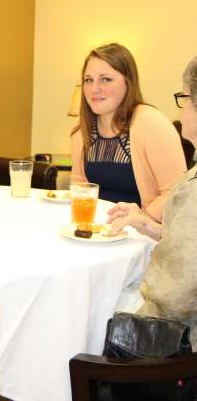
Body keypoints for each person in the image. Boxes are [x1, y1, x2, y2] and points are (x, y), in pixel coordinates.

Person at [108, 55, 197, 346]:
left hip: (180, 343)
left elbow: (173, 296)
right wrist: (149, 225)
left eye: (184, 98)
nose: (182, 111)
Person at [71, 43, 186, 222]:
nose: (94, 89)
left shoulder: (152, 124)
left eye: (105, 79)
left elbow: (176, 195)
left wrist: (138, 220)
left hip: (144, 235)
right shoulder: (81, 128)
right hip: (97, 231)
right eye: (88, 80)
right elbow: (79, 187)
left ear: (128, 82)